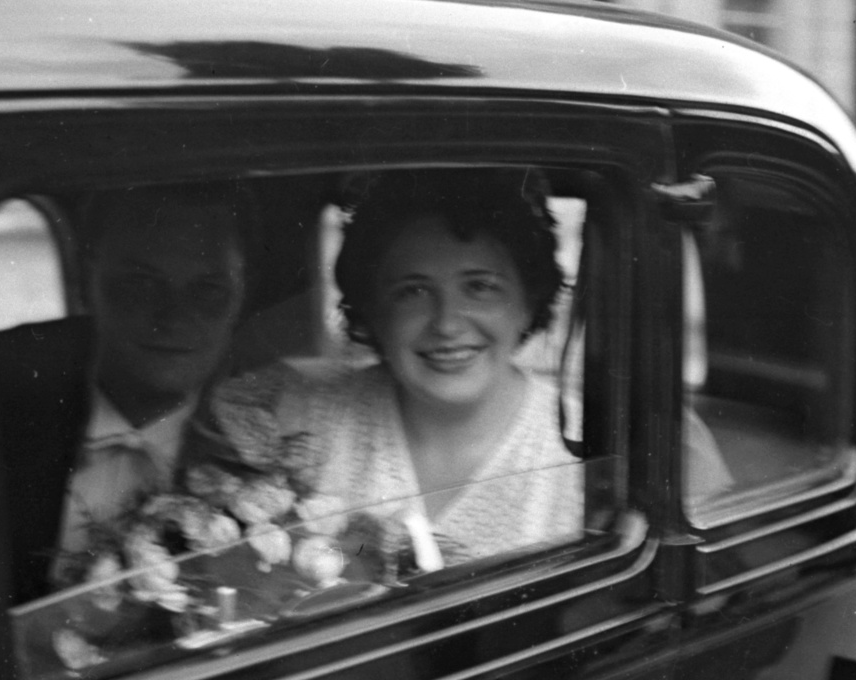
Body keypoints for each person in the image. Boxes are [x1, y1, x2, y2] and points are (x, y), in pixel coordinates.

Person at [206, 168, 580, 570]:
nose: (447, 324)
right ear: (373, 312)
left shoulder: (582, 441)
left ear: (528, 300)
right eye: (413, 292)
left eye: (480, 286)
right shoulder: (299, 410)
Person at [47, 182, 253, 589]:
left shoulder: (260, 440)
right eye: (140, 285)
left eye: (207, 291)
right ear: (88, 278)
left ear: (241, 294)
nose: (172, 317)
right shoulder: (2, 409)